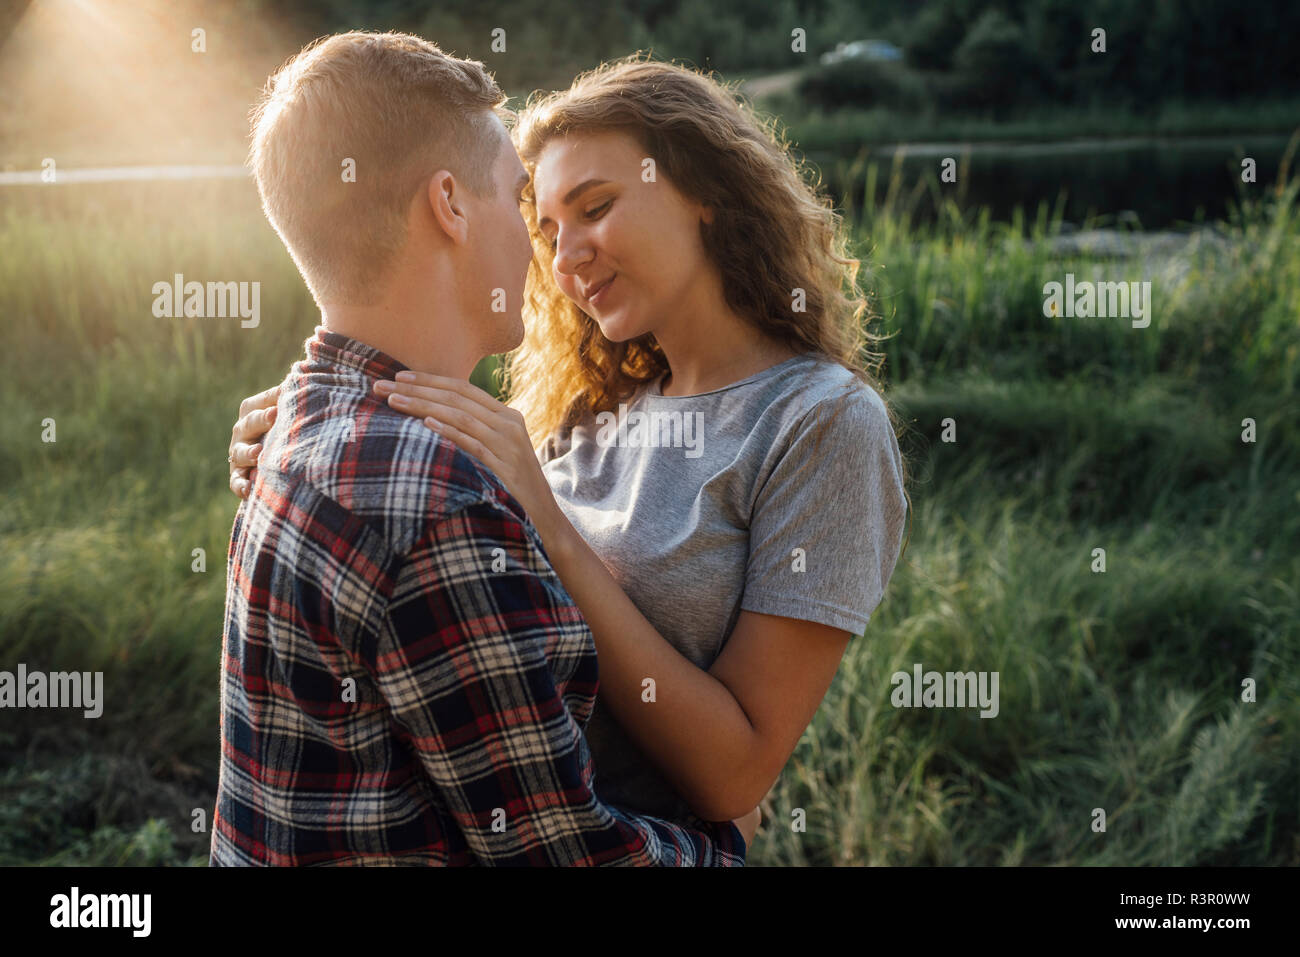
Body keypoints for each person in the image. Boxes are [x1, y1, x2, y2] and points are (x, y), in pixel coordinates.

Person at [229, 54, 910, 844]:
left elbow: (736, 775)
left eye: (596, 207)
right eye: (545, 228)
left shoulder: (820, 424)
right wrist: (301, 435)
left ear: (706, 194)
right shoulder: (586, 398)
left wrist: (549, 522)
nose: (563, 257)